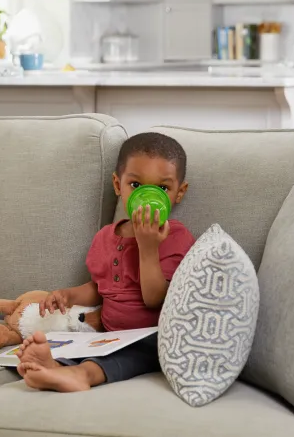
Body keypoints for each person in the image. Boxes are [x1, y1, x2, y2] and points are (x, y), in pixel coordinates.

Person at [16, 132, 195, 392]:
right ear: (117, 184)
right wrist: (68, 295)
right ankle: (54, 365)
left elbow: (155, 299)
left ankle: (81, 376)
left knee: (127, 355)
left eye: (163, 188)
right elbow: (99, 287)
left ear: (179, 192)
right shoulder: (105, 237)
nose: (147, 197)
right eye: (135, 185)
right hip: (109, 336)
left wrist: (148, 248)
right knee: (87, 342)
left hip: (152, 336)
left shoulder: (176, 236)